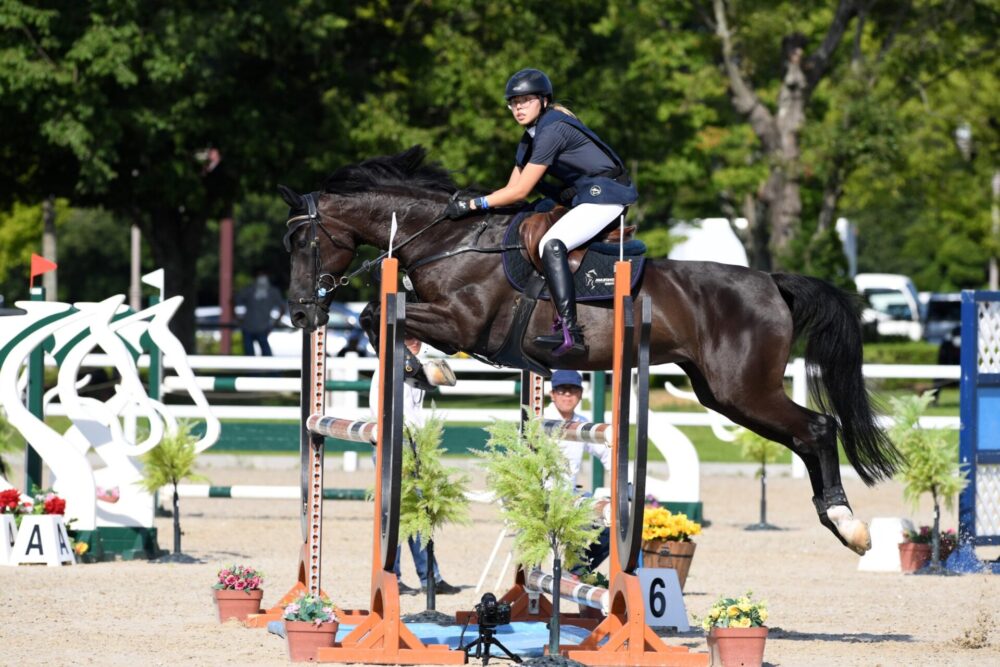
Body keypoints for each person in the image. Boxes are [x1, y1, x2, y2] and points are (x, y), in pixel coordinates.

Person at [442, 68, 638, 356]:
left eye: (525, 100)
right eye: (513, 102)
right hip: (580, 197)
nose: (518, 108)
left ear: (544, 101)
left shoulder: (552, 130)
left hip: (606, 195)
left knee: (551, 244)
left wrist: (472, 204)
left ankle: (571, 331)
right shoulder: (529, 138)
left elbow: (519, 192)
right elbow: (511, 189)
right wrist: (476, 209)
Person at [368, 334, 461, 596]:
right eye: (408, 338)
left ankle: (427, 575)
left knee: (417, 512)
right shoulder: (389, 367)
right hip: (397, 443)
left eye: (416, 338)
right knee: (399, 513)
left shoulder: (413, 365)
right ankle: (399, 575)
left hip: (413, 443)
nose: (415, 343)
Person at [544, 370, 611, 575]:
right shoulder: (541, 419)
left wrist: (623, 484)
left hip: (570, 497)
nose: (566, 395)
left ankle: (575, 571)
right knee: (583, 522)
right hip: (542, 496)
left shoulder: (582, 423)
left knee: (611, 530)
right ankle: (574, 570)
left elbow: (607, 453)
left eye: (572, 390)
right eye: (561, 390)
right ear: (552, 394)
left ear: (580, 394)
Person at [234, 269, 285, 356]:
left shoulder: (273, 292)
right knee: (249, 357)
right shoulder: (249, 290)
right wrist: (237, 318)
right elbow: (234, 300)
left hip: (263, 329)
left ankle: (270, 369)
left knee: (267, 356)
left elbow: (282, 308)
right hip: (248, 328)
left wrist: (274, 324)